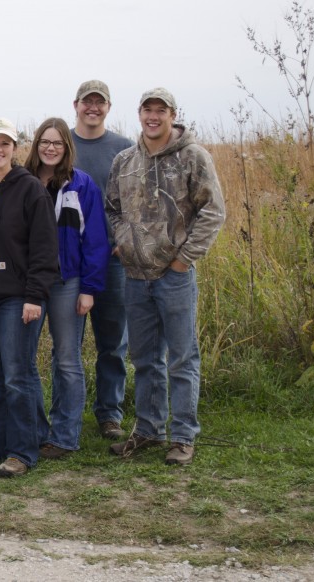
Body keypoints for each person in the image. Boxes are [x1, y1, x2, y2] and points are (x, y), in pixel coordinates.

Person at [106, 88, 225, 466]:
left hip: (175, 277)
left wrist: (183, 259)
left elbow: (213, 212)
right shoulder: (125, 160)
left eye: (161, 110)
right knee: (144, 359)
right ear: (139, 113)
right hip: (135, 277)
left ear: (173, 114)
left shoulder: (193, 157)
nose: (153, 117)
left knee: (182, 358)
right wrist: (123, 241)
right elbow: (111, 208)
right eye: (147, 110)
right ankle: (148, 429)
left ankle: (183, 436)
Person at [0, 118, 59, 477]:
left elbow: (45, 248)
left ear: (14, 149)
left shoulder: (30, 189)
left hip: (18, 297)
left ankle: (22, 450)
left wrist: (35, 295)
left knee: (18, 374)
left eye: (6, 144)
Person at [24, 118, 110, 459]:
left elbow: (95, 241)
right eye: (45, 142)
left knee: (67, 359)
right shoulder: (23, 181)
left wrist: (89, 288)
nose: (50, 148)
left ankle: (64, 436)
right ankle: (33, 429)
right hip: (30, 283)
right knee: (24, 360)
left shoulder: (82, 185)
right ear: (36, 144)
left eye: (57, 143)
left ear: (67, 148)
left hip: (67, 283)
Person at [70, 80, 134, 440]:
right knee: (69, 345)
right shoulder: (61, 144)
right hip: (69, 262)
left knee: (112, 342)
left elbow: (135, 200)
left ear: (108, 107)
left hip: (111, 260)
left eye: (100, 102)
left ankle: (110, 413)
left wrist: (123, 240)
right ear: (75, 104)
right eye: (87, 102)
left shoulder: (123, 148)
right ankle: (68, 413)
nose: (92, 108)